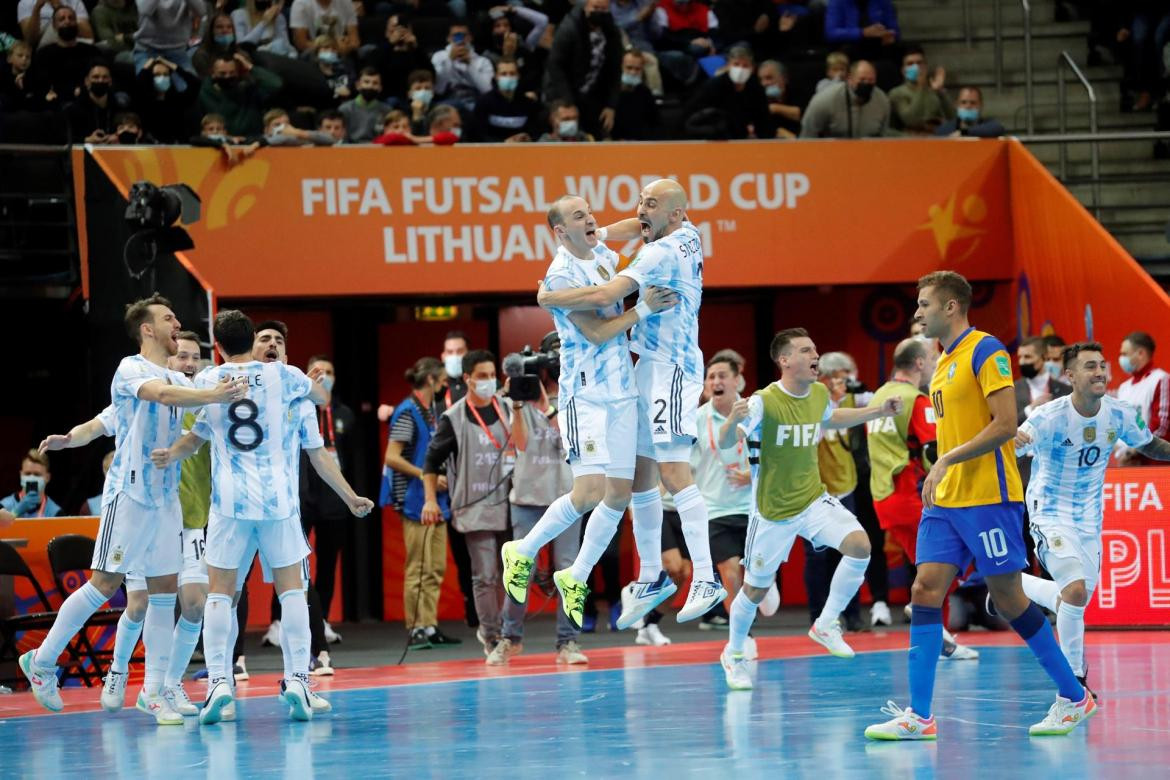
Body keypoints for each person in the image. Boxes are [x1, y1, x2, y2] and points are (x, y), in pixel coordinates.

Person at [865, 271, 1095, 740]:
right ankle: (920, 716)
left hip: (989, 496)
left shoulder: (985, 350)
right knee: (925, 591)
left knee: (1009, 599)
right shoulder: (943, 361)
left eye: (924, 303)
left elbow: (1006, 423)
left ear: (951, 306)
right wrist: (942, 465)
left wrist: (946, 458)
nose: (917, 312)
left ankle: (1075, 697)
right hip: (945, 499)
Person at [25, 295, 248, 722]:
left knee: (165, 591)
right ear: (147, 329)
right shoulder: (133, 370)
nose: (177, 323)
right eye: (169, 318)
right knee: (106, 584)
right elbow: (160, 395)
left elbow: (103, 420)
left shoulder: (174, 375)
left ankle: (155, 690)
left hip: (167, 500)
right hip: (129, 495)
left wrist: (70, 437)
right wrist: (216, 394)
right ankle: (41, 662)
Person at [155, 310, 372, 725]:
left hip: (229, 505)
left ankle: (219, 681)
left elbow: (193, 437)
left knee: (220, 593)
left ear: (215, 347)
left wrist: (169, 455)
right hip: (278, 504)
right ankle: (297, 680)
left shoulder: (206, 381)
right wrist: (349, 496)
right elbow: (321, 424)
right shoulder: (289, 381)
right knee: (293, 591)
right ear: (253, 339)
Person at [535, 179, 727, 626]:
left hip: (673, 369)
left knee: (675, 474)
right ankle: (653, 576)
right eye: (641, 201)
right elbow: (635, 225)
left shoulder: (661, 253)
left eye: (652, 204)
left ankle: (705, 577)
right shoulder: (685, 231)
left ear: (675, 213)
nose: (642, 210)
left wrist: (547, 297)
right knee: (641, 477)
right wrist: (602, 234)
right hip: (647, 368)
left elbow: (604, 297)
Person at [499, 194, 678, 636]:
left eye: (590, 211)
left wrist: (648, 217)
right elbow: (597, 332)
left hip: (621, 392)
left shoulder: (601, 252)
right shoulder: (560, 274)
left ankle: (574, 575)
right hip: (587, 395)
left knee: (618, 495)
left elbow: (636, 229)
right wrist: (643, 309)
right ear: (560, 231)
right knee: (588, 492)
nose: (591, 218)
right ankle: (521, 551)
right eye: (580, 215)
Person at [717, 328, 900, 690]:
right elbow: (726, 441)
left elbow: (831, 418)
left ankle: (825, 623)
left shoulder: (817, 394)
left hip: (813, 499)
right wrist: (730, 420)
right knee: (754, 592)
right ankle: (733, 653)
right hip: (771, 511)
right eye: (805, 350)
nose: (815, 354)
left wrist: (877, 409)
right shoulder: (763, 401)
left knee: (860, 546)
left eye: (815, 347)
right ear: (785, 360)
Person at [1015, 341, 1170, 699]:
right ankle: (1074, 681)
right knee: (1073, 589)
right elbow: (1013, 448)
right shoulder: (1048, 416)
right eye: (1090, 366)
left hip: (1089, 516)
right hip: (1049, 511)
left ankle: (1009, 587)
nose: (1100, 371)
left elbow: (1148, 444)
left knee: (1077, 598)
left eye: (1102, 365)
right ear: (1069, 376)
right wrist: (1015, 440)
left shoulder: (1120, 413)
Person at [97, 331, 213, 718]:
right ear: (167, 358)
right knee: (139, 602)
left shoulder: (202, 404)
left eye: (195, 358)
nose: (189, 364)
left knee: (195, 605)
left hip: (190, 517)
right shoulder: (144, 391)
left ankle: (167, 683)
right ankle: (117, 670)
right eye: (182, 356)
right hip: (145, 510)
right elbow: (103, 425)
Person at [866, 338, 978, 660]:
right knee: (945, 564)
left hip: (884, 499)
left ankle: (938, 641)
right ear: (918, 363)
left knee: (929, 569)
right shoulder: (916, 401)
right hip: (913, 495)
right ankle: (926, 617)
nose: (934, 365)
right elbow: (932, 451)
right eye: (931, 360)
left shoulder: (880, 396)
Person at [421, 350, 528, 656]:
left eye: (491, 375)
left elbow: (523, 445)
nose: (488, 381)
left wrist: (519, 407)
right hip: (474, 505)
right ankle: (492, 636)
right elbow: (431, 463)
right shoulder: (452, 417)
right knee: (485, 575)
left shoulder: (509, 407)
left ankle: (509, 629)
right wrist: (430, 500)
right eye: (481, 376)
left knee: (513, 574)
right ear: (467, 379)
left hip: (511, 502)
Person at [496, 345, 588, 665]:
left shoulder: (579, 394)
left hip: (567, 496)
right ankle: (510, 637)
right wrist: (520, 405)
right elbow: (520, 444)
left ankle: (568, 643)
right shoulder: (522, 395)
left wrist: (548, 409)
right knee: (522, 569)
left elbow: (570, 442)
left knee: (569, 570)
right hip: (527, 497)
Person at [384, 358, 462, 650]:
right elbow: (391, 457)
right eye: (442, 380)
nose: (445, 385)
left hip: (437, 499)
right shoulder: (407, 411)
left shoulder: (433, 411)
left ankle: (429, 625)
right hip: (414, 499)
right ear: (430, 379)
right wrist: (425, 474)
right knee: (417, 566)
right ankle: (415, 627)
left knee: (435, 567)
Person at [298, 355, 357, 651]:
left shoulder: (344, 413)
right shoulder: (299, 408)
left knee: (328, 564)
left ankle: (322, 620)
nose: (325, 377)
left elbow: (350, 459)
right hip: (303, 497)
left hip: (333, 501)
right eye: (320, 372)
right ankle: (278, 621)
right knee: (295, 562)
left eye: (330, 372)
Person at [544, 0, 623, 138]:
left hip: (592, 93)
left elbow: (615, 70)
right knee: (567, 132)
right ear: (586, 7)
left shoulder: (612, 31)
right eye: (595, 7)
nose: (599, 12)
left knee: (601, 132)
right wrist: (568, 100)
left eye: (603, 9)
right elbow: (555, 65)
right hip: (562, 91)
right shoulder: (569, 28)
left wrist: (611, 106)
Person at [1014, 336, 1071, 486]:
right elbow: (1002, 425)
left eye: (1028, 357)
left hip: (1058, 473)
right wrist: (1029, 410)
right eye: (1020, 357)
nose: (1022, 362)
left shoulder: (1066, 391)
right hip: (1022, 474)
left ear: (1044, 357)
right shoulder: (1011, 390)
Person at [683, 44, 772, 140]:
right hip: (711, 138)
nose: (740, 69)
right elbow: (692, 115)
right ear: (728, 66)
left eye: (745, 66)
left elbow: (764, 120)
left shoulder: (756, 89)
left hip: (740, 139)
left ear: (752, 68)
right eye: (736, 64)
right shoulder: (713, 86)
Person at [1116, 331, 1170, 466]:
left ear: (1140, 353)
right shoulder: (1124, 388)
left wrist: (1133, 451)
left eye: (1124, 354)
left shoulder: (1160, 379)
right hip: (1126, 465)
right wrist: (1119, 451)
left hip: (1154, 465)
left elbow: (1162, 426)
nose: (1121, 359)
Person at [28, 6, 102, 103]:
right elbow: (39, 85)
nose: (67, 21)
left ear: (76, 23)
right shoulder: (43, 54)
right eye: (62, 19)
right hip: (56, 103)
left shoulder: (92, 51)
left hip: (88, 99)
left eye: (71, 18)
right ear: (54, 26)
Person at [198, 52, 283, 137]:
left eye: (232, 73)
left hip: (252, 142)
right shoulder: (203, 94)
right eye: (222, 73)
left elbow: (276, 84)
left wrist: (250, 67)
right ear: (213, 73)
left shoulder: (250, 91)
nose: (227, 77)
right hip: (218, 144)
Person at [800, 59, 891, 138]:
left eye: (871, 80)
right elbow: (807, 136)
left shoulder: (882, 101)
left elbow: (884, 136)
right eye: (862, 79)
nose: (867, 83)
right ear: (850, 79)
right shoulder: (824, 100)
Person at [887, 44, 953, 135]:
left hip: (935, 140)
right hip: (909, 142)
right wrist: (920, 86)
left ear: (925, 66)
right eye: (910, 64)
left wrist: (940, 92)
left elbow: (953, 119)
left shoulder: (934, 91)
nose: (916, 67)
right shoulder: (897, 93)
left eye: (919, 63)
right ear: (903, 70)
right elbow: (911, 120)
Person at [132, 0, 206, 80]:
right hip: (147, 50)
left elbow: (201, 11)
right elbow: (145, 10)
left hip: (177, 52)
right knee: (146, 84)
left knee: (189, 86)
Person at [473, 57, 540, 143]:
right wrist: (503, 143)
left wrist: (528, 137)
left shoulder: (528, 104)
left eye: (512, 74)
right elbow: (478, 134)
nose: (508, 77)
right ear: (496, 76)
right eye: (503, 74)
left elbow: (535, 132)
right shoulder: (483, 103)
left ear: (518, 76)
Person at [431, 22, 494, 112]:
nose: (460, 39)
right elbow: (438, 89)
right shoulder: (439, 57)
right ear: (448, 38)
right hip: (447, 102)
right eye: (455, 35)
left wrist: (470, 65)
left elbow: (487, 91)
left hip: (476, 101)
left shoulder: (483, 61)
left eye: (464, 35)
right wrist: (449, 60)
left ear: (470, 38)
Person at [611, 49, 659, 141]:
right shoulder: (609, 92)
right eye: (629, 68)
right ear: (621, 66)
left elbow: (655, 123)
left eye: (637, 69)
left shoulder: (645, 92)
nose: (633, 72)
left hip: (640, 145)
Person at [1, 450, 62, 518]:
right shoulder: (4, 506)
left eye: (37, 474)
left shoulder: (56, 513)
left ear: (47, 477)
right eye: (28, 473)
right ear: (21, 475)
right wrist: (16, 512)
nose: (32, 478)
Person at [289, 0, 360, 56]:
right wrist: (330, 47)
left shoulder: (346, 2)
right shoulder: (300, 4)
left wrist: (346, 47)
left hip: (342, 52)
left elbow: (355, 41)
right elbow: (301, 43)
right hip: (314, 53)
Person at [339, 67, 392, 142]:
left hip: (378, 150)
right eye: (366, 82)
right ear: (358, 85)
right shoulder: (345, 109)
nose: (370, 86)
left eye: (375, 83)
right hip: (350, 150)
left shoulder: (387, 110)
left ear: (380, 88)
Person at [18, 0, 94, 49]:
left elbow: (89, 37)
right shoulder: (25, 3)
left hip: (75, 43)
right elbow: (30, 41)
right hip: (45, 47)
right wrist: (37, 9)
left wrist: (58, 6)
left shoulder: (75, 2)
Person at [935, 86, 1005, 138]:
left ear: (981, 106)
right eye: (963, 102)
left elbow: (998, 128)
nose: (968, 106)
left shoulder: (989, 125)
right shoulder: (945, 129)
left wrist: (964, 132)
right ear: (956, 105)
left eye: (973, 103)